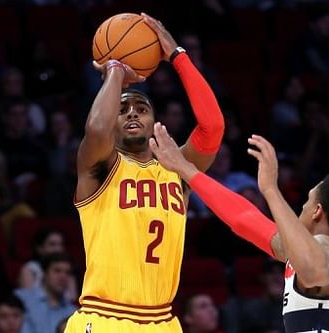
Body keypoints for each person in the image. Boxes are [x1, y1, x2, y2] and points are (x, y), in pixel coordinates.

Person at [64, 13, 224, 333]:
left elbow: (213, 126)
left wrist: (177, 56)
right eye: (123, 109)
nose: (133, 113)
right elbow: (97, 128)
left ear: (154, 120)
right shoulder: (99, 166)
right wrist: (115, 70)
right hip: (104, 316)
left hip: (163, 321)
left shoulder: (177, 169)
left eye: (141, 108)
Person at [150, 123, 329, 332]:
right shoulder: (301, 254)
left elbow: (314, 272)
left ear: (317, 211)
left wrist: (270, 191)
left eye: (307, 201)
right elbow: (243, 218)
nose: (301, 208)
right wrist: (185, 169)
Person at [15, 252, 76, 333]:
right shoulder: (21, 299)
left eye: (67, 273)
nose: (63, 277)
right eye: (57, 271)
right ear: (44, 273)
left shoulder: (74, 312)